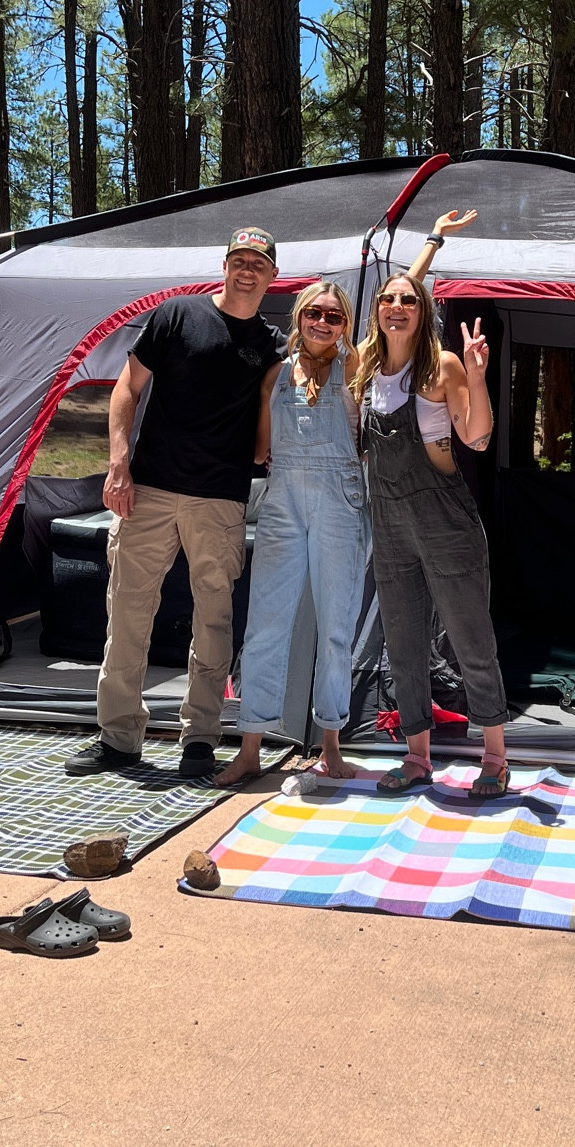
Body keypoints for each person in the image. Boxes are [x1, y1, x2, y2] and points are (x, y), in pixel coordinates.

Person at [214, 210, 478, 787]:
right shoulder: (275, 377)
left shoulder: (359, 369)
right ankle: (250, 745)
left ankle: (330, 747)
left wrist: (431, 243)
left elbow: (400, 304)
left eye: (335, 316)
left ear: (345, 325)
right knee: (265, 624)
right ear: (300, 317)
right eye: (315, 313)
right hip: (282, 504)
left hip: (341, 503)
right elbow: (260, 451)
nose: (324, 322)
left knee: (337, 626)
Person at [71, 226, 287, 778]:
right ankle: (119, 738)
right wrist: (119, 462)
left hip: (219, 499)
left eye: (257, 265)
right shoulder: (176, 315)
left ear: (271, 277)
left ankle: (201, 738)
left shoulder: (271, 345)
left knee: (213, 620)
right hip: (149, 490)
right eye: (238, 259)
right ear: (224, 264)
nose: (246, 270)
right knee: (128, 613)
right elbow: (126, 389)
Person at [355, 228, 510, 799]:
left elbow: (476, 437)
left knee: (470, 638)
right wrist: (431, 242)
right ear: (377, 311)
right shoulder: (367, 366)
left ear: (424, 313)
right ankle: (417, 756)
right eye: (389, 300)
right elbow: (405, 286)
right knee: (403, 643)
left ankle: (494, 755)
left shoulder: (439, 366)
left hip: (445, 521)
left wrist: (476, 374)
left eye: (409, 301)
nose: (398, 307)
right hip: (390, 526)